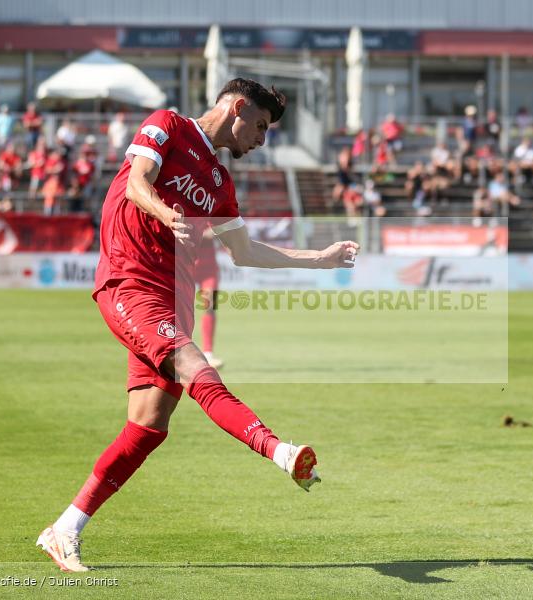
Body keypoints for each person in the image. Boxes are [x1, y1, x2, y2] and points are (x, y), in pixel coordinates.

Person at [36, 78, 358, 572]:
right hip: (131, 284)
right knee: (197, 367)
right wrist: (166, 211)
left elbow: (246, 252)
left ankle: (65, 529)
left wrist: (321, 257)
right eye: (261, 126)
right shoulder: (166, 126)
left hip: (172, 301)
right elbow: (137, 181)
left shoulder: (219, 183)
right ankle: (281, 451)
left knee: (147, 426)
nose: (262, 139)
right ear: (237, 107)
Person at [194, 231, 223, 369]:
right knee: (177, 308)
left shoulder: (211, 211)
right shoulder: (184, 210)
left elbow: (218, 230)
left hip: (209, 269)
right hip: (186, 265)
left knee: (209, 306)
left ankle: (208, 353)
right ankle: (176, 350)